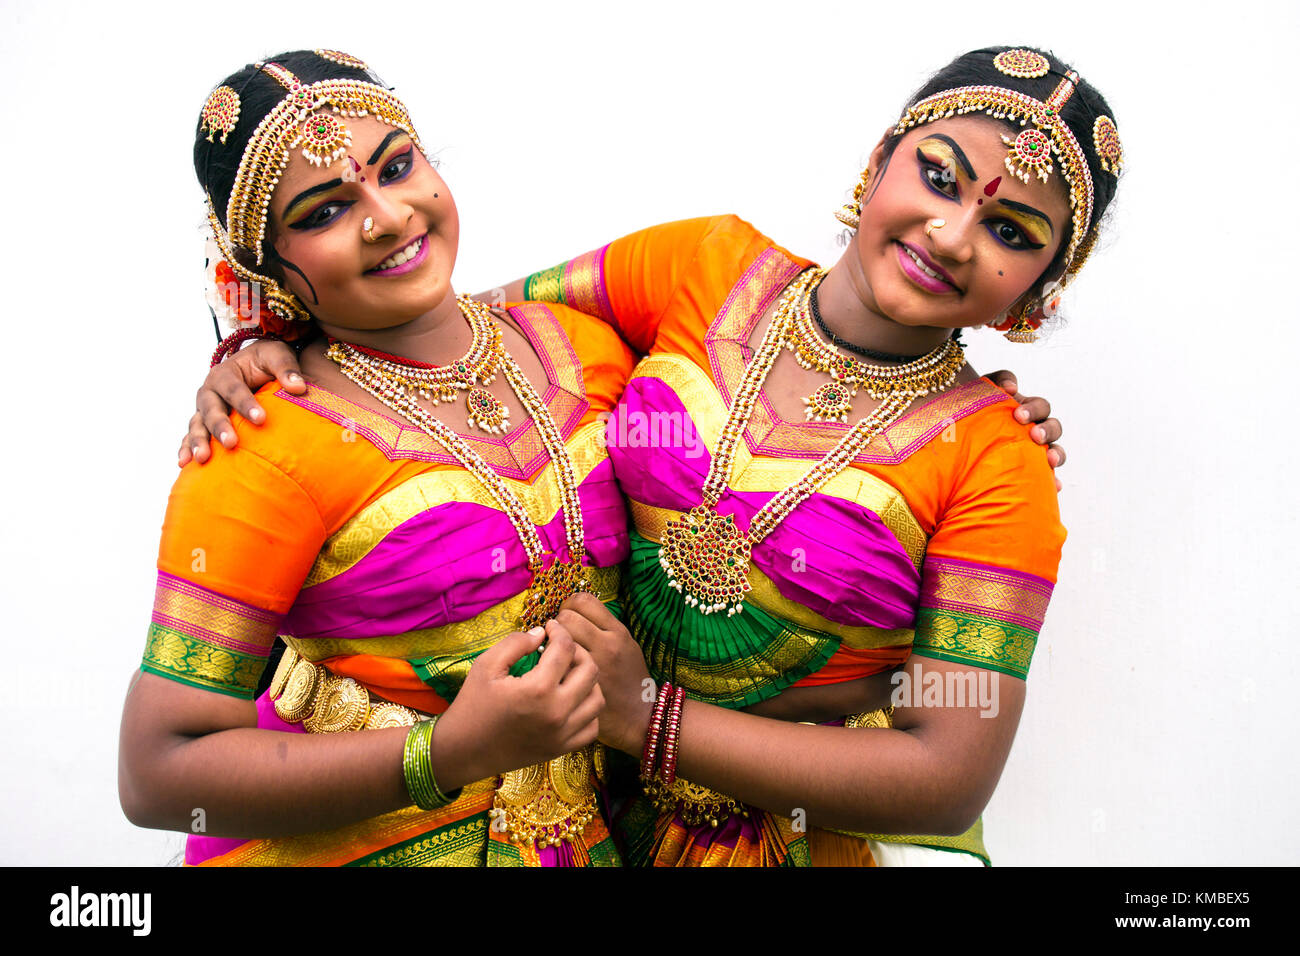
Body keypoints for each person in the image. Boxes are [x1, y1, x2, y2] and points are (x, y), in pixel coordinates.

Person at [176, 45, 1101, 866]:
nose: (951, 234)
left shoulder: (998, 460)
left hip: (763, 837)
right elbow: (455, 328)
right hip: (552, 799)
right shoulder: (706, 265)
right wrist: (266, 348)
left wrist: (644, 721)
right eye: (938, 177)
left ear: (1038, 292)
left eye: (1012, 234)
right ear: (876, 164)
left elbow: (947, 773)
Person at [119, 49, 639, 866]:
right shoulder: (260, 439)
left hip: (607, 828)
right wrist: (446, 754)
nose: (388, 216)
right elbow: (158, 771)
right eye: (324, 212)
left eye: (397, 167)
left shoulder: (586, 347)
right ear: (261, 269)